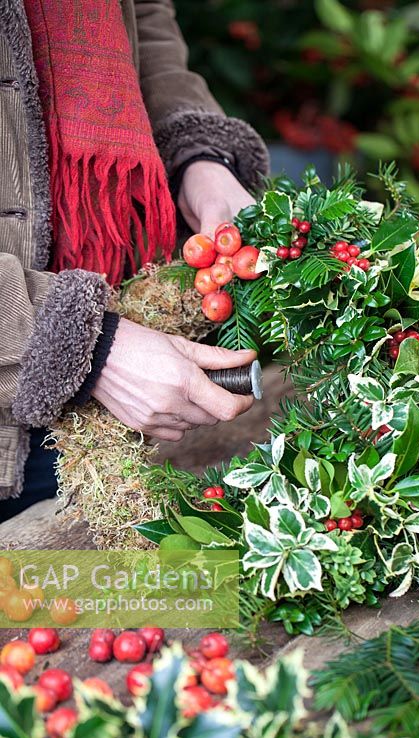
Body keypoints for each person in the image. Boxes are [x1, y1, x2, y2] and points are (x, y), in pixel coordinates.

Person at [0, 0, 269, 520]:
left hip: (123, 351)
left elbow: (142, 12)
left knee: (116, 591)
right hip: (57, 358)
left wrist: (196, 155)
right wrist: (82, 344)